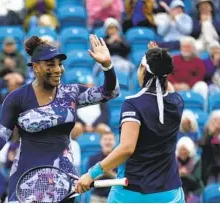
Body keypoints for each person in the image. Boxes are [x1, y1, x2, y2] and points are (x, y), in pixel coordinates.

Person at [0, 34, 120, 202]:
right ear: (35, 67)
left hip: (62, 180)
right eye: (50, 64)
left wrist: (107, 65)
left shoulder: (71, 93)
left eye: (59, 64)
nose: (58, 69)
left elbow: (110, 92)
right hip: (27, 181)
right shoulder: (16, 98)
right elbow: (2, 136)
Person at [75, 41, 186, 203]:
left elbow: (126, 148)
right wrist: (158, 59)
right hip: (170, 193)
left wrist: (91, 174)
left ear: (143, 70)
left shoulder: (133, 104)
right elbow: (166, 85)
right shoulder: (177, 101)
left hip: (132, 192)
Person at [0, 37, 26, 104]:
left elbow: (23, 71)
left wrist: (13, 74)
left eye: (11, 45)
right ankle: (1, 102)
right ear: (4, 46)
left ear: (15, 45)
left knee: (26, 86)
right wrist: (6, 67)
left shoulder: (20, 56)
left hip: (17, 78)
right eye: (7, 45)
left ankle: (21, 103)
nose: (9, 47)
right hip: (3, 78)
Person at [87, 132, 117, 203]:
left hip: (115, 196)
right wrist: (102, 172)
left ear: (115, 142)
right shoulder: (93, 158)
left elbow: (122, 179)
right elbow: (88, 178)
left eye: (110, 139)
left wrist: (110, 173)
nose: (107, 142)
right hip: (97, 196)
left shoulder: (119, 158)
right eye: (105, 139)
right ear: (100, 142)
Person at [176, 137, 204, 203]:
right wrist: (178, 174)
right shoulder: (174, 161)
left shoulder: (196, 160)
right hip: (179, 189)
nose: (182, 152)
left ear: (189, 150)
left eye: (185, 150)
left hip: (194, 189)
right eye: (181, 150)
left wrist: (186, 175)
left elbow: (197, 179)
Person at [199, 110, 220, 185]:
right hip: (209, 168)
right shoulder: (207, 131)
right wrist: (211, 133)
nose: (218, 122)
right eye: (215, 120)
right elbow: (202, 143)